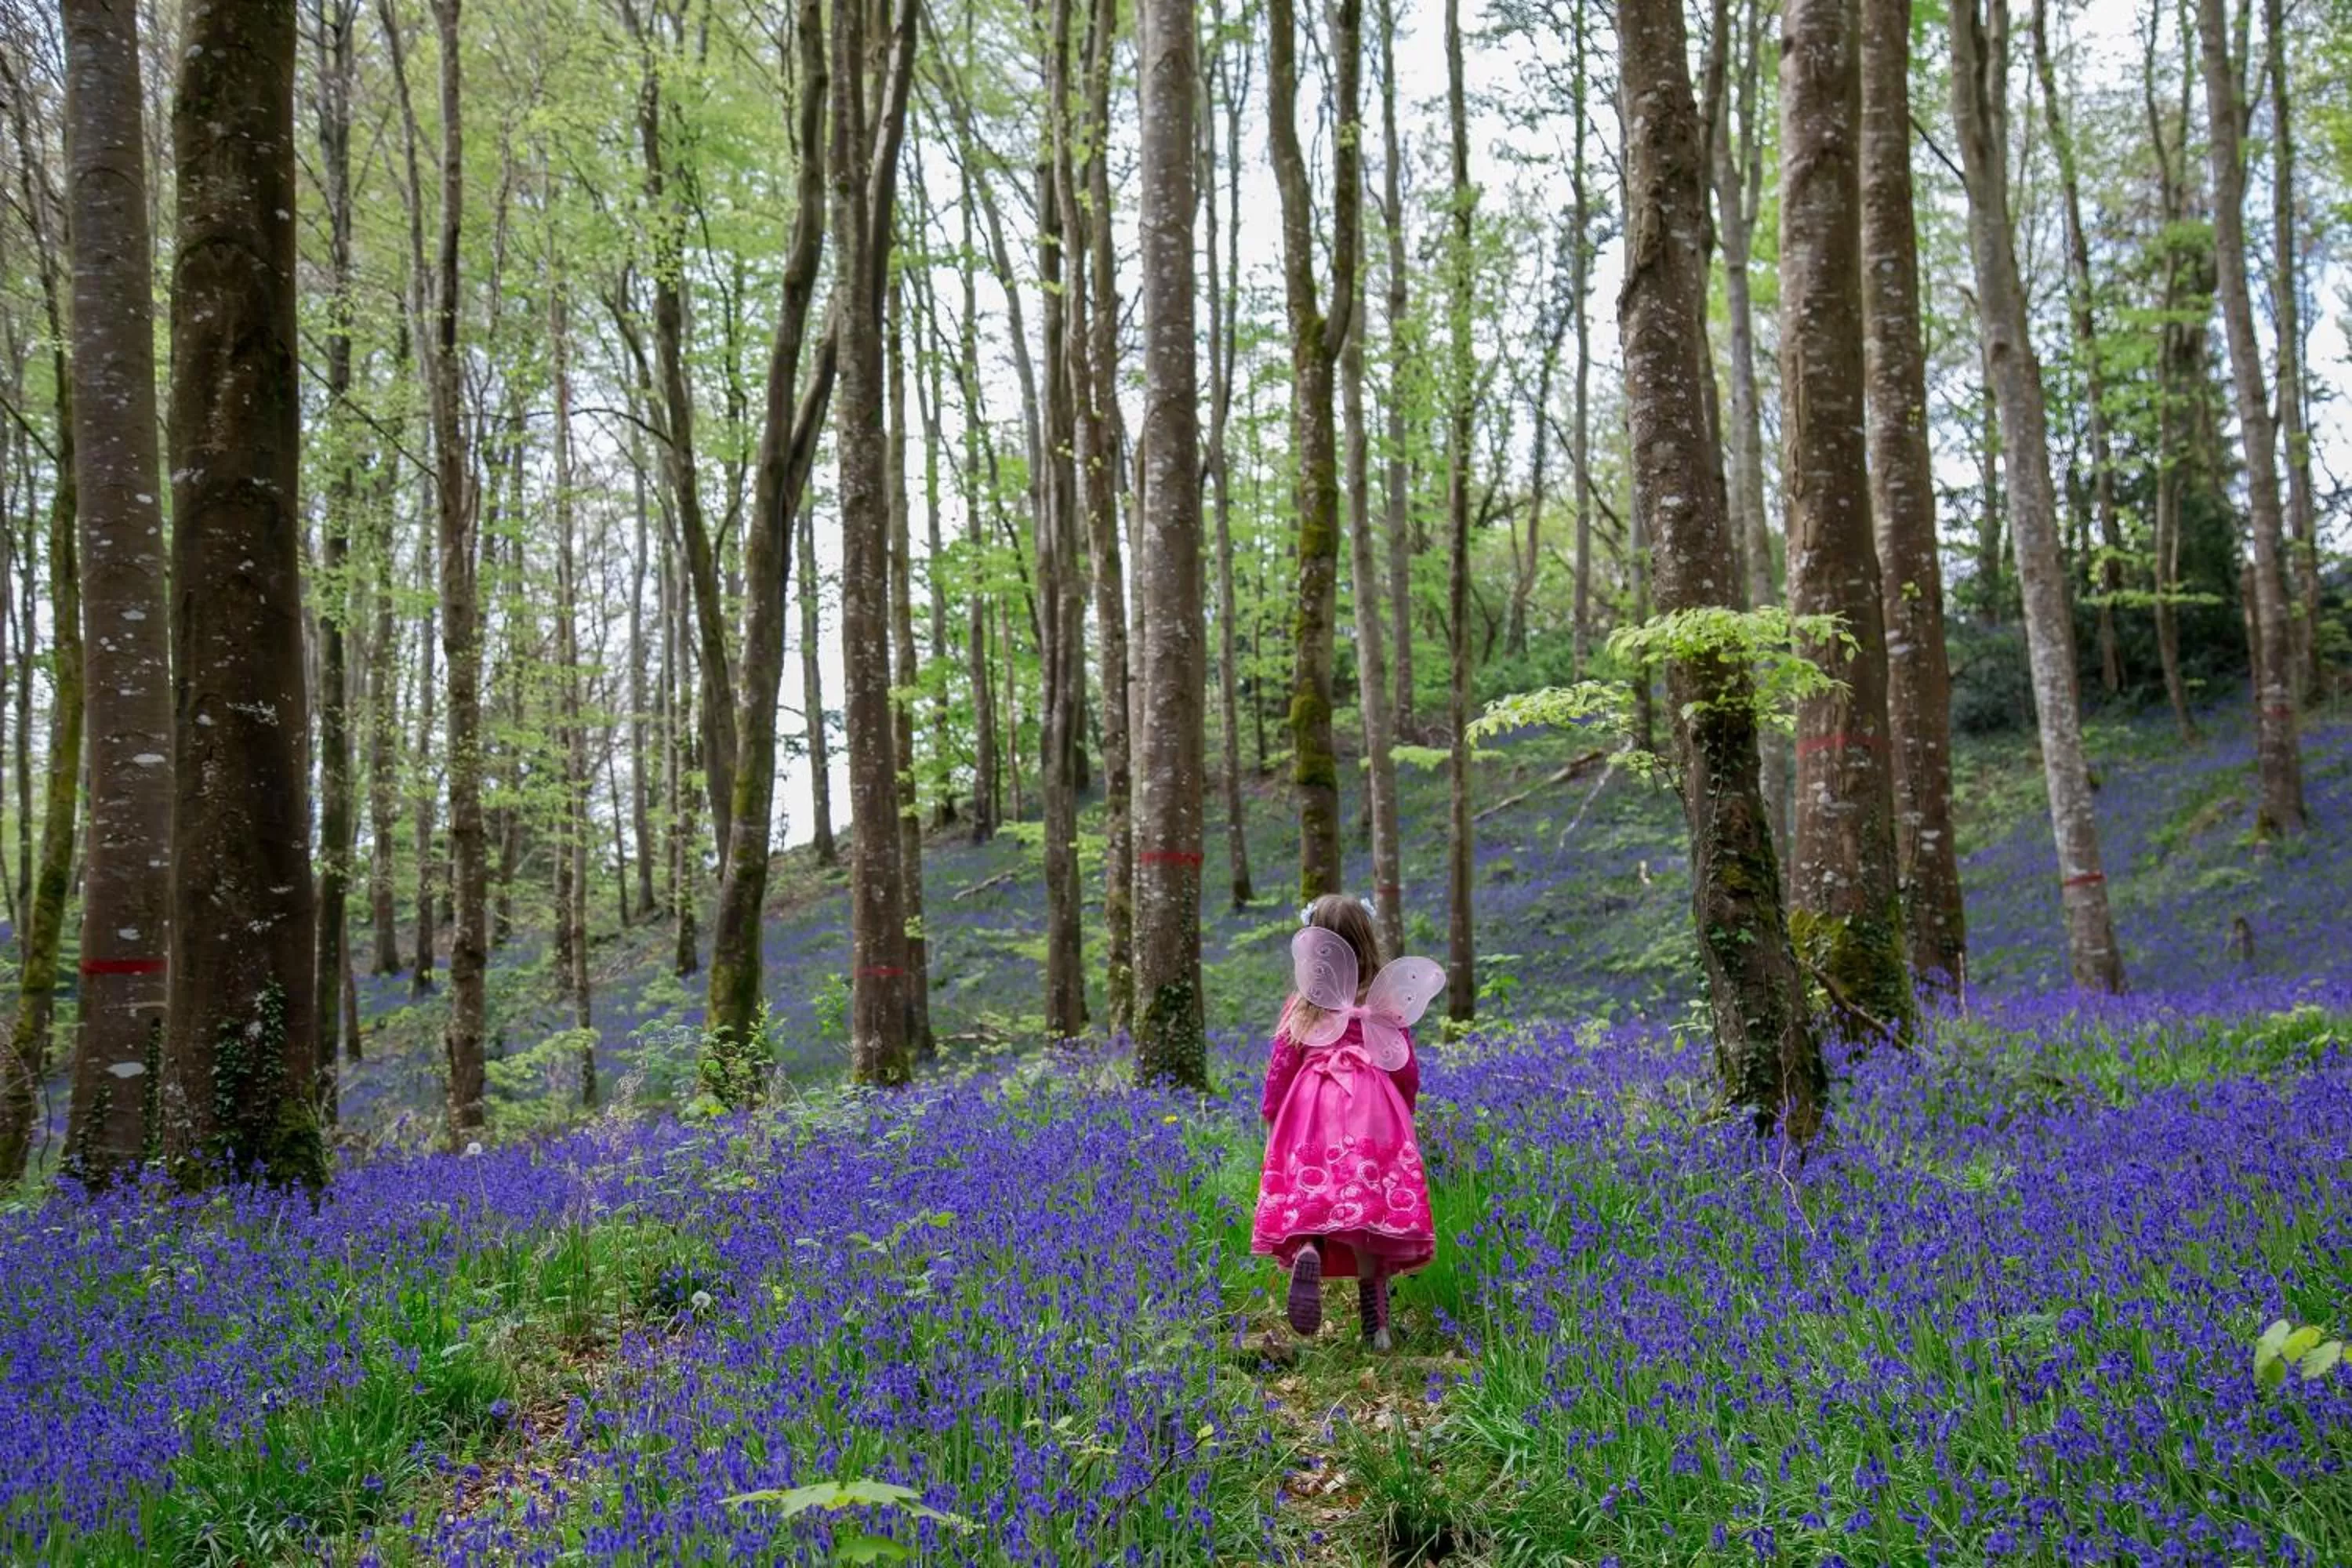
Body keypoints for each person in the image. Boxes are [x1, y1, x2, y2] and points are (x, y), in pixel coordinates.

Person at [1251, 894, 1445, 1351]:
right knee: (1370, 1213)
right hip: (1371, 1107)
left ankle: (1308, 1248)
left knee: (1316, 1189)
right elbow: (1406, 1070)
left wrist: (1273, 1113)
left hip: (1311, 1102)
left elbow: (1281, 1066)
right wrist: (1404, 1114)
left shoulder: (1302, 1004)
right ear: (1366, 940)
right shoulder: (1386, 1002)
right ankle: (1376, 1328)